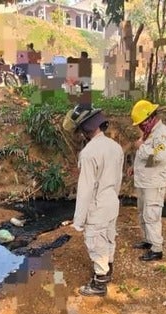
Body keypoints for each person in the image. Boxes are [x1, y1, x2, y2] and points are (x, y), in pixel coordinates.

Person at [63, 105, 124, 297]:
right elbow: (118, 179)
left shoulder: (89, 153)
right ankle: (108, 269)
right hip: (112, 201)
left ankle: (99, 283)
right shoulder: (115, 147)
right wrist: (114, 197)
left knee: (95, 242)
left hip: (97, 205)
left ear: (84, 129)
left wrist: (79, 221)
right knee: (108, 236)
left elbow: (85, 190)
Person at [129, 100, 166, 262]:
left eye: (141, 123)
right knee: (143, 213)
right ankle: (148, 240)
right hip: (144, 181)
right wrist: (136, 167)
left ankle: (156, 249)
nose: (140, 126)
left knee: (152, 215)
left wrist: (141, 146)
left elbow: (159, 156)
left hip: (154, 183)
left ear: (150, 118)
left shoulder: (162, 133)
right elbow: (149, 159)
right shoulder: (150, 133)